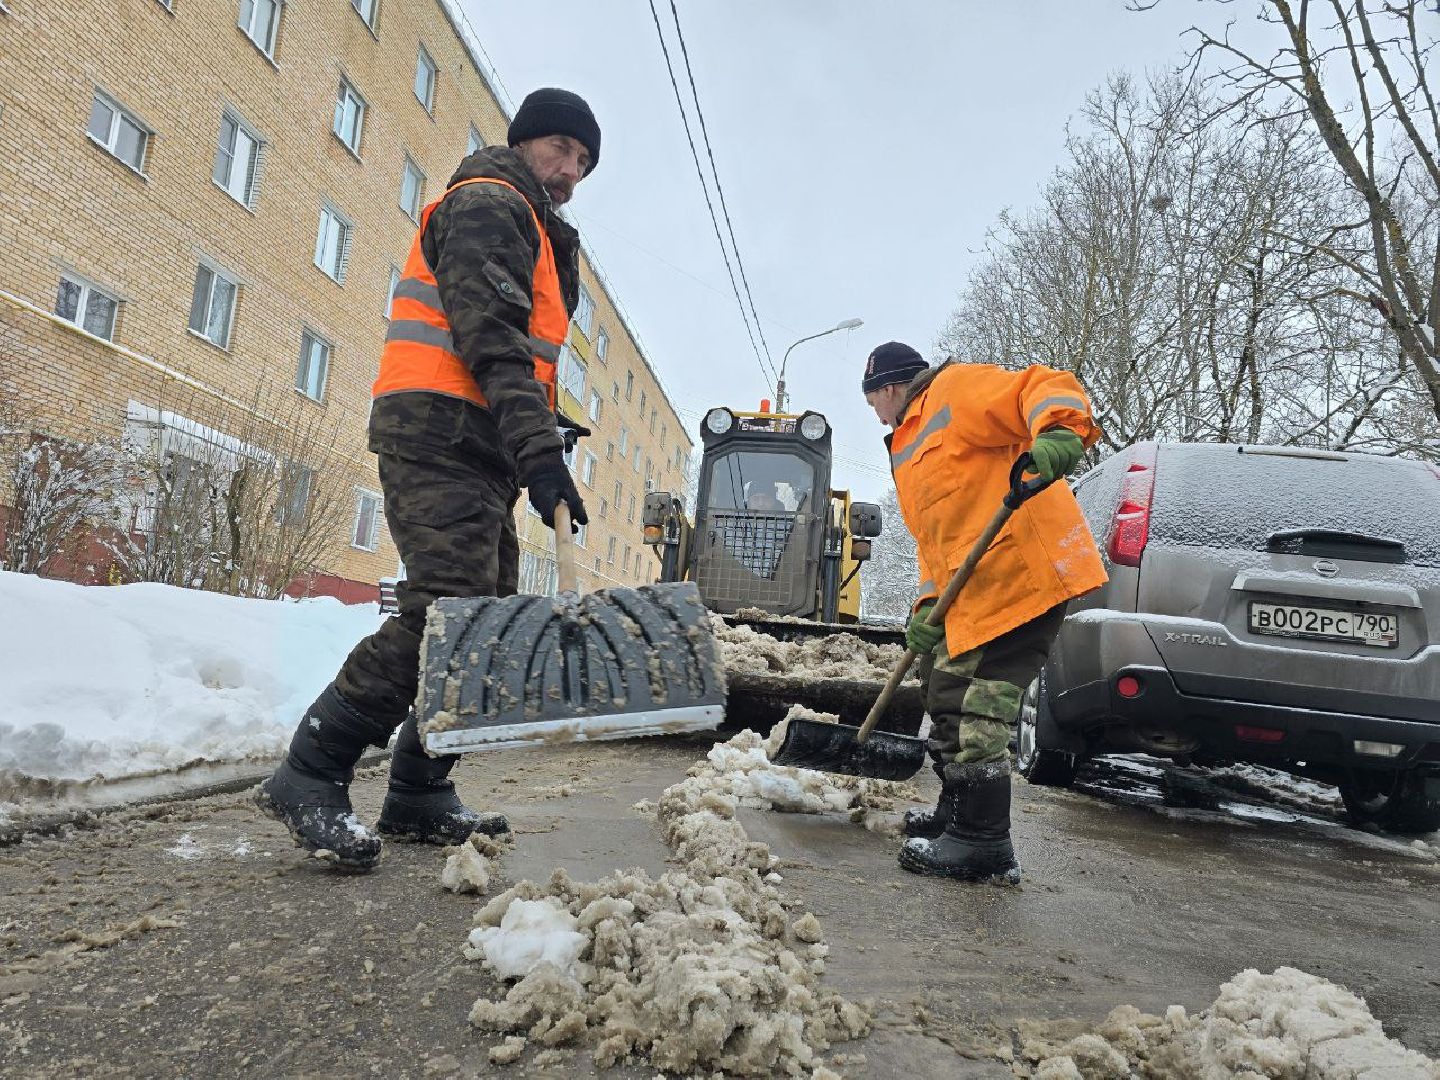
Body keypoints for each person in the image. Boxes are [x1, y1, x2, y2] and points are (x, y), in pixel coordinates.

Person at [256, 89, 599, 870]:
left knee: (487, 625)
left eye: (582, 162)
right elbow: (491, 339)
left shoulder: (535, 225)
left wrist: (538, 439)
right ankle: (312, 768)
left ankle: (418, 787)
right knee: (449, 611)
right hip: (437, 430)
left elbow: (519, 357)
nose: (570, 171)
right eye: (560, 150)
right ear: (525, 144)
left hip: (480, 441)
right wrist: (538, 453)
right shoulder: (489, 200)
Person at [860, 341, 1106, 884]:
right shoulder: (905, 447)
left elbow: (1041, 383)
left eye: (872, 399)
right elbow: (938, 544)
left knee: (977, 707)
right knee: (941, 691)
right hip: (973, 591)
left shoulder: (953, 391)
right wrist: (927, 610)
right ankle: (956, 816)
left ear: (889, 388)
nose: (873, 412)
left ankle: (983, 842)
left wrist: (1061, 430)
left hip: (1025, 575)